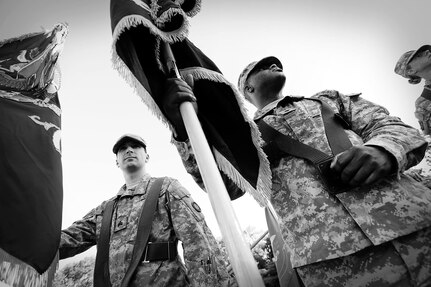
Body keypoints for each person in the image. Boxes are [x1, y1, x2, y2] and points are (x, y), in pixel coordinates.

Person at [163, 57, 431, 286]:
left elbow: (396, 129)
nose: (273, 63)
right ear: (247, 87)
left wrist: (383, 150)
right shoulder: (243, 138)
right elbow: (223, 186)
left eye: (275, 62)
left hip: (416, 225)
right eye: (261, 65)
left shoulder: (329, 100)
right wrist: (184, 132)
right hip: (334, 263)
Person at [59, 133, 233, 286]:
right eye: (122, 149)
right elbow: (67, 240)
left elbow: (197, 242)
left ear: (147, 156)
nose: (128, 150)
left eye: (135, 146)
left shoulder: (166, 188)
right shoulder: (106, 210)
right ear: (116, 162)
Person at [394, 44, 431, 135]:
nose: (427, 51)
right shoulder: (423, 104)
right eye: (419, 56)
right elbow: (428, 137)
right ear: (411, 71)